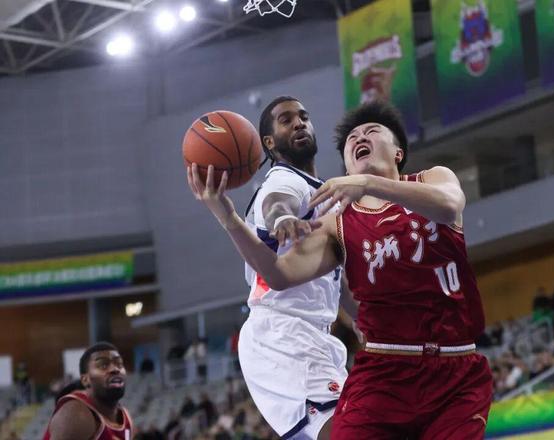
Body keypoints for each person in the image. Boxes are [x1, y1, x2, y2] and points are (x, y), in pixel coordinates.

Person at [187, 100, 492, 439]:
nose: (360, 137)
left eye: (372, 131)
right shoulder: (325, 211)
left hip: (452, 363)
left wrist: (359, 316)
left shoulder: (431, 179)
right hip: (318, 344)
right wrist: (230, 218)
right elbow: (277, 237)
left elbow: (448, 206)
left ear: (398, 153)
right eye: (352, 139)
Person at [192, 96, 350, 440]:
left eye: (304, 116)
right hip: (284, 333)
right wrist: (283, 218)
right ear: (269, 142)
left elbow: (333, 281)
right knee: (350, 431)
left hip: (306, 333)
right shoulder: (284, 180)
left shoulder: (321, 191)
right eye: (286, 120)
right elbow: (277, 203)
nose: (299, 123)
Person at [43, 342, 133, 440]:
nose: (115, 369)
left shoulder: (125, 417)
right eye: (103, 365)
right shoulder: (76, 414)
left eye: (119, 364)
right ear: (85, 380)